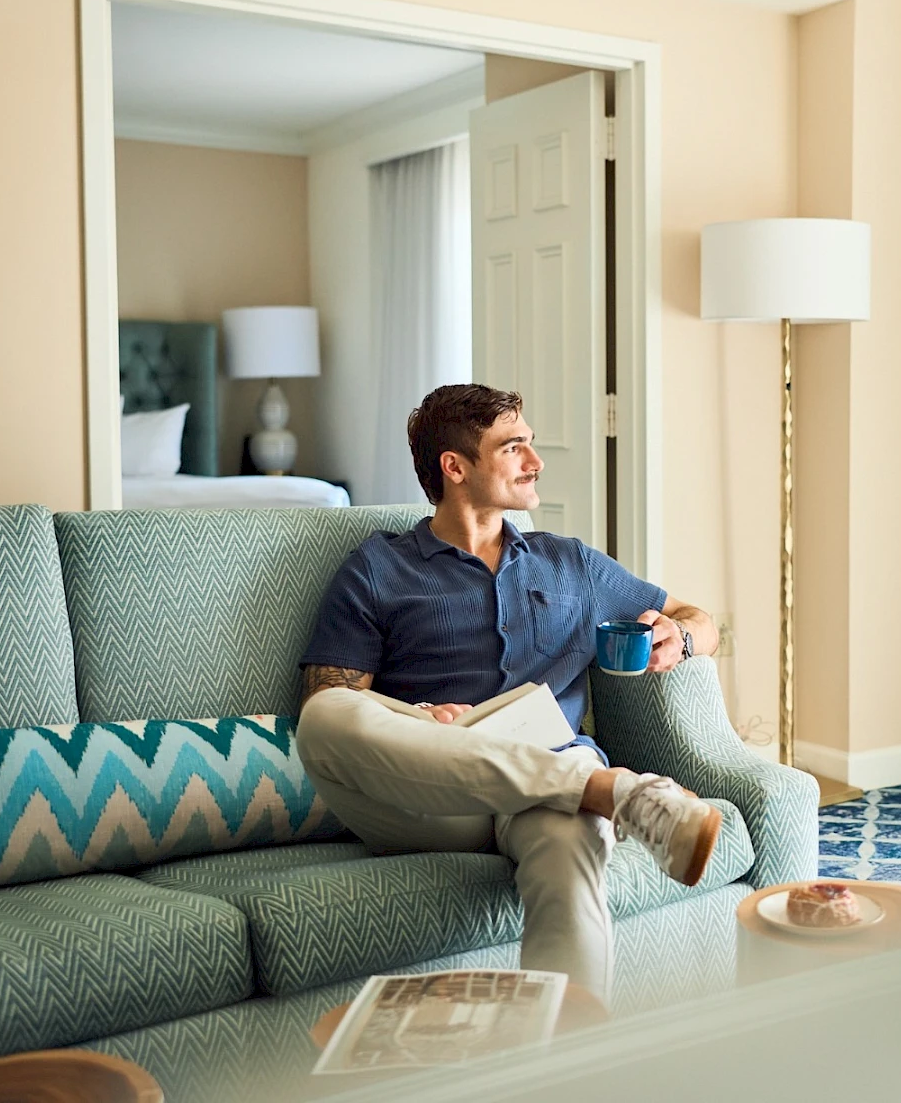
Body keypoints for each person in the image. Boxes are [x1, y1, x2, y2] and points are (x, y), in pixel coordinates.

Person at [295, 384, 723, 1003]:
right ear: (455, 466)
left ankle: (565, 1049)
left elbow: (701, 620)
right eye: (513, 447)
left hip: (548, 786)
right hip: (436, 797)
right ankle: (617, 792)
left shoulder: (570, 563)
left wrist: (679, 638)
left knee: (569, 836)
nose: (536, 461)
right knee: (324, 717)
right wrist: (417, 718)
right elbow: (333, 698)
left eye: (530, 444)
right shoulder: (377, 568)